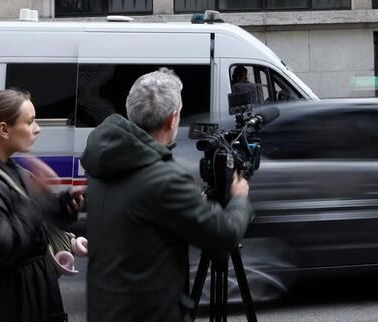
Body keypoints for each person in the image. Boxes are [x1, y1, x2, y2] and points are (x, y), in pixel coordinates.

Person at [81, 68, 254, 322]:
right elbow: (224, 236)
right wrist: (239, 198)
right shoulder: (164, 178)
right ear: (172, 119)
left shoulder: (103, 162)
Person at [0, 89, 84, 322]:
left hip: (27, 299)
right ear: (3, 130)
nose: (37, 128)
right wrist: (35, 205)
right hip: (2, 306)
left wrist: (62, 208)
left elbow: (33, 223)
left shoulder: (13, 171)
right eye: (30, 121)